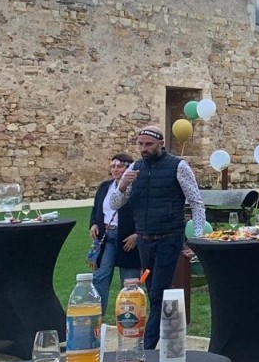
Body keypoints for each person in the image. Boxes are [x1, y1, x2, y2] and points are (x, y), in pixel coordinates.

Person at [113, 125, 206, 349]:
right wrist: (123, 186)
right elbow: (115, 204)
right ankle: (169, 340)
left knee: (157, 292)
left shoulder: (178, 166)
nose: (144, 149)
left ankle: (147, 345)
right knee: (153, 289)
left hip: (169, 236)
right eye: (140, 144)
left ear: (161, 143)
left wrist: (198, 238)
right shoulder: (135, 168)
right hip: (144, 239)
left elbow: (196, 201)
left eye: (149, 144)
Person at [87, 153, 141, 309]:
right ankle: (98, 315)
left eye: (120, 166)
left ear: (129, 168)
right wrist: (94, 224)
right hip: (106, 236)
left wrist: (137, 235)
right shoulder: (105, 186)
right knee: (100, 277)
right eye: (113, 166)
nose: (116, 169)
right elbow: (96, 208)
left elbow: (144, 213)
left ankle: (129, 318)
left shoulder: (136, 189)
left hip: (127, 238)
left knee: (129, 282)